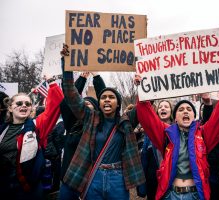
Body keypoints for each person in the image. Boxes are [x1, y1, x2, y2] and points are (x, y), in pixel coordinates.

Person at [135, 68, 219, 200]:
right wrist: (141, 90)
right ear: (175, 117)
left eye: (189, 109)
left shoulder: (203, 134)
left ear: (194, 116)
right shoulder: (166, 134)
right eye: (181, 109)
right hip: (171, 195)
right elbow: (147, 117)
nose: (185, 111)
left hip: (196, 195)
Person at [61, 44, 145, 199]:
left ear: (118, 103)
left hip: (118, 179)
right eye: (103, 97)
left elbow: (144, 106)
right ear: (99, 104)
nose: (107, 100)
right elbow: (70, 94)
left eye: (111, 97)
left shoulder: (126, 121)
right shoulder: (90, 118)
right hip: (94, 176)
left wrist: (142, 86)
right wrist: (66, 65)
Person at [0, 79, 63, 199]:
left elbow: (56, 104)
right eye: (19, 103)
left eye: (27, 104)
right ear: (10, 108)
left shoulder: (37, 126)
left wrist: (52, 83)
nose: (24, 106)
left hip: (27, 190)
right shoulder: (2, 129)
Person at [58, 54, 106, 200]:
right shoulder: (72, 124)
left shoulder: (100, 125)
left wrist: (96, 76)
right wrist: (82, 78)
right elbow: (69, 98)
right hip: (69, 180)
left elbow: (105, 96)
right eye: (83, 104)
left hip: (92, 181)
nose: (86, 106)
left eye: (90, 105)